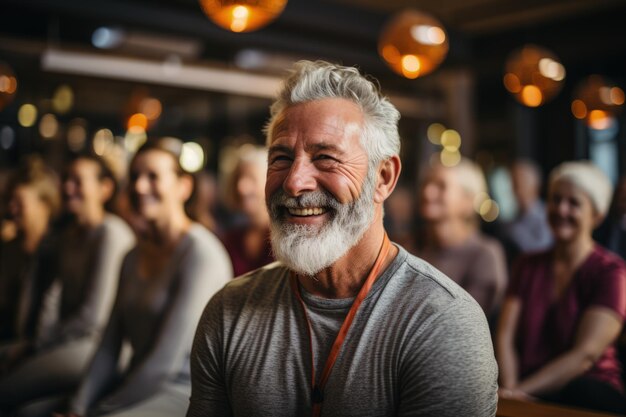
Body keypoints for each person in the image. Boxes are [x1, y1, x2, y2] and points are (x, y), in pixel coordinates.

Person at [187, 60, 498, 417]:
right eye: (281, 158)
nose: (294, 181)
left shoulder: (442, 321)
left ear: (383, 177)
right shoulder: (229, 310)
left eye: (326, 158)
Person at [35, 138, 233, 417]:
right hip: (136, 382)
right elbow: (109, 345)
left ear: (183, 187)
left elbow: (165, 364)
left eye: (153, 176)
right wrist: (77, 406)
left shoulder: (202, 254)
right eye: (135, 177)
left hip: (186, 393)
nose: (140, 187)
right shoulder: (131, 256)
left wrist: (98, 411)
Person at [0, 154, 135, 413]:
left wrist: (35, 346)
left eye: (78, 181)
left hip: (97, 348)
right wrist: (33, 343)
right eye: (66, 180)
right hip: (67, 341)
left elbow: (92, 317)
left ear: (104, 189)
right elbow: (53, 300)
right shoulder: (70, 236)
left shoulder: (111, 234)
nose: (68, 188)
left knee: (6, 390)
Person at [496, 161, 626, 414]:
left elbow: (585, 355)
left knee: (582, 390)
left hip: (588, 391)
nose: (560, 209)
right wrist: (510, 389)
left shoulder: (612, 272)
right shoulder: (526, 264)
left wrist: (520, 392)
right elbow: (505, 335)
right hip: (524, 383)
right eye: (555, 200)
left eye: (574, 203)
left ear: (597, 216)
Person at [417, 158, 508, 319]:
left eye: (441, 186)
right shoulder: (412, 246)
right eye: (426, 183)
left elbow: (464, 320)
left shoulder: (485, 254)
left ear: (468, 201)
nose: (427, 192)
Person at [0, 156, 60, 346]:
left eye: (19, 202)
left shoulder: (54, 252)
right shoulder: (12, 249)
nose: (12, 208)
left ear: (45, 204)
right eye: (10, 201)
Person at [220, 144, 273, 276]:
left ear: (271, 182)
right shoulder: (231, 239)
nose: (241, 187)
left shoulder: (286, 239)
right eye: (238, 178)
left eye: (251, 178)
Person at [503, 159, 553, 255]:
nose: (514, 190)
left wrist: (513, 231)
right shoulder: (512, 218)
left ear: (534, 184)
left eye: (518, 183)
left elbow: (539, 250)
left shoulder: (547, 216)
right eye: (513, 184)